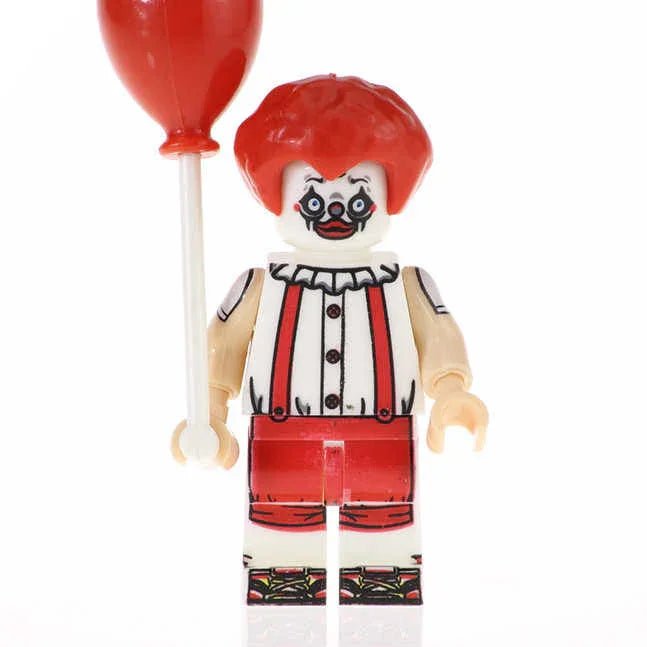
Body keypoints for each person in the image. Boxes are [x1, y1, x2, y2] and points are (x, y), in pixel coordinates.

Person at [172, 74, 488, 606]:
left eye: (357, 201)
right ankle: (282, 611)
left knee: (384, 549)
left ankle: (383, 614)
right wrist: (211, 413)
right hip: (281, 439)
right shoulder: (259, 287)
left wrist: (452, 391)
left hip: (383, 438)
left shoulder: (405, 285)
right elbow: (221, 352)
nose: (335, 213)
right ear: (280, 198)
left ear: (388, 197)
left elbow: (438, 337)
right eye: (314, 201)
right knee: (282, 549)